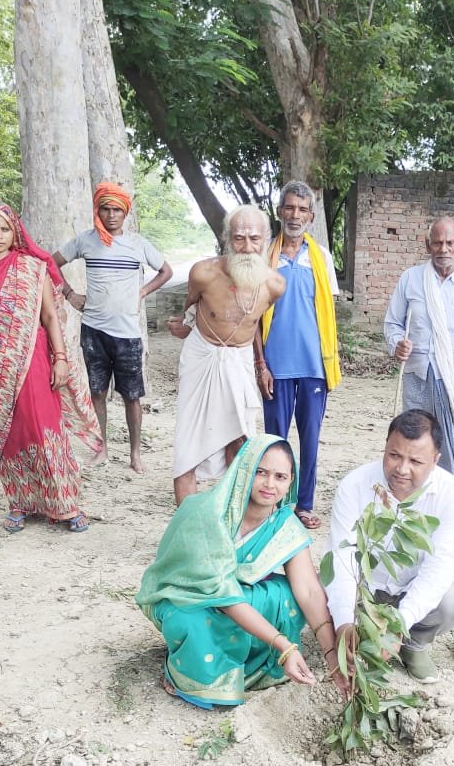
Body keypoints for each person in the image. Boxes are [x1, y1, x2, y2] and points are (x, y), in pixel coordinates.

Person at [136, 434, 348, 709]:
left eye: (280, 477)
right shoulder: (209, 513)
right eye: (261, 472)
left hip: (237, 601)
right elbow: (222, 595)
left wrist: (333, 657)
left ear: (291, 482)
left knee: (289, 596)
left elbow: (309, 591)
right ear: (243, 470)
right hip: (190, 599)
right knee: (188, 620)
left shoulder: (284, 525)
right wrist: (284, 646)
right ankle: (187, 670)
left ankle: (247, 665)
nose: (269, 484)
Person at [0, 201, 102, 533]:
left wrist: (60, 358)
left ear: (15, 231)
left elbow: (49, 316)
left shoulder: (32, 267)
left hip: (34, 359)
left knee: (43, 426)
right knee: (8, 434)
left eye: (5, 229)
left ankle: (65, 503)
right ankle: (20, 502)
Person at [324, 410, 454, 685]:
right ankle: (363, 637)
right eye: (394, 455)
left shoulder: (452, 495)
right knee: (326, 593)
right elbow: (342, 557)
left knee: (452, 600)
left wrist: (400, 624)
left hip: (410, 589)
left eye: (415, 461)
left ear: (436, 460)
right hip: (365, 591)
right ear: (385, 447)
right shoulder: (355, 485)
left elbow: (440, 567)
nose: (402, 469)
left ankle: (414, 644)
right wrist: (344, 622)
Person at [167, 206, 285, 506]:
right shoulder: (203, 273)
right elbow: (190, 310)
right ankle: (186, 526)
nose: (247, 247)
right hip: (202, 358)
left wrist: (260, 364)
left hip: (239, 362)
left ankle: (231, 518)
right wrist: (183, 326)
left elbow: (252, 324)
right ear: (226, 239)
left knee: (241, 441)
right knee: (187, 445)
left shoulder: (275, 285)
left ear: (266, 240)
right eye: (239, 238)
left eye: (254, 239)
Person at [54, 182, 173, 473]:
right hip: (93, 330)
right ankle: (102, 449)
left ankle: (135, 454)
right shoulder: (85, 240)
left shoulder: (138, 244)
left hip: (127, 334)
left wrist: (143, 292)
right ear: (98, 211)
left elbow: (166, 271)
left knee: (132, 396)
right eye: (105, 209)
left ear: (125, 213)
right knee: (97, 392)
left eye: (117, 210)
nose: (111, 215)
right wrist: (70, 294)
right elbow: (51, 263)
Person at [384, 216, 454, 494]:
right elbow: (392, 324)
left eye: (450, 243)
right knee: (416, 442)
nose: (443, 249)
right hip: (419, 378)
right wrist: (397, 344)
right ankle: (414, 501)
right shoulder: (410, 280)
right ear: (428, 245)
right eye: (437, 243)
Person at [255, 180, 341, 530]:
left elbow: (328, 313)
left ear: (311, 216)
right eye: (289, 207)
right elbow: (253, 317)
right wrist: (260, 365)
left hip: (313, 366)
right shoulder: (264, 256)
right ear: (279, 211)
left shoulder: (321, 258)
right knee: (275, 441)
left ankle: (303, 504)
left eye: (302, 209)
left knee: (309, 440)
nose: (295, 215)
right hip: (275, 366)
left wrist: (330, 362)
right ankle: (275, 505)